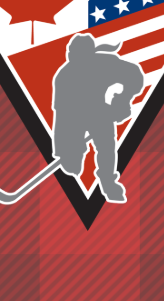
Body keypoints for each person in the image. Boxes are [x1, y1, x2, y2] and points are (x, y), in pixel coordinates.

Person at [52, 33, 144, 203]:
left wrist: (123, 100)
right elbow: (61, 117)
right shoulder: (63, 77)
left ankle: (108, 183)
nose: (72, 57)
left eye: (79, 54)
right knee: (70, 166)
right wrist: (62, 148)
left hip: (100, 113)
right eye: (71, 52)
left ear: (89, 54)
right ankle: (73, 164)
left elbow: (135, 76)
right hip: (74, 118)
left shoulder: (104, 63)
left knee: (107, 147)